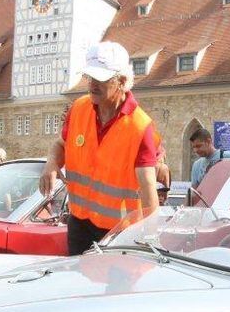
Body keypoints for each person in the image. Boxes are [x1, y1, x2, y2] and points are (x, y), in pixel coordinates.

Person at [38, 41, 160, 255]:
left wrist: (151, 238)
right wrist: (51, 163)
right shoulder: (79, 108)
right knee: (81, 287)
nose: (92, 84)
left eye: (100, 79)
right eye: (90, 77)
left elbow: (149, 187)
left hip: (120, 232)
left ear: (121, 81)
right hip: (79, 224)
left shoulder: (140, 127)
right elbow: (60, 145)